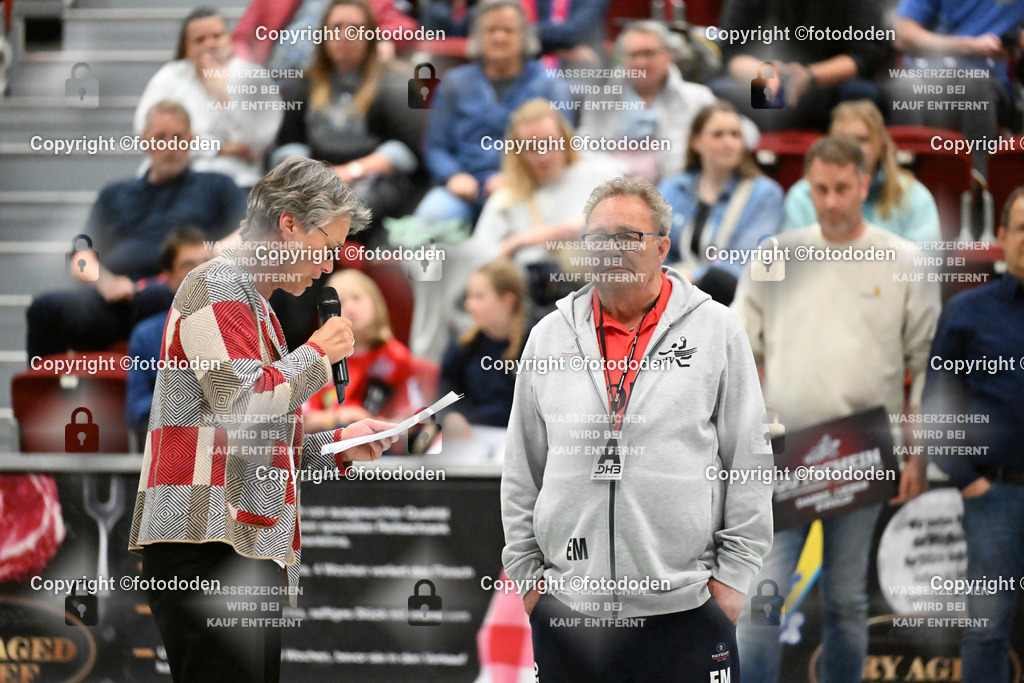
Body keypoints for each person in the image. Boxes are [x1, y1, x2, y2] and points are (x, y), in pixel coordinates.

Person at [129, 156, 399, 683]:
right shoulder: (218, 284)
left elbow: (256, 439)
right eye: (326, 249)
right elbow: (243, 402)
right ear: (289, 224)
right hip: (204, 544)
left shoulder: (258, 308)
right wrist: (318, 354)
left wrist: (336, 445)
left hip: (231, 544)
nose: (329, 267)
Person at [502, 177, 774, 682]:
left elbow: (750, 461)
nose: (610, 250)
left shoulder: (717, 330)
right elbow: (522, 466)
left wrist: (733, 581)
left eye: (627, 237)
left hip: (687, 609)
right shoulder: (547, 336)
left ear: (662, 248)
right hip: (567, 609)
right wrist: (530, 582)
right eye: (598, 238)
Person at [732, 136, 941, 683]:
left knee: (847, 601)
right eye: (818, 189)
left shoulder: (906, 262)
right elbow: (736, 351)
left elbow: (925, 365)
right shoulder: (775, 256)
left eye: (842, 189)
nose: (830, 201)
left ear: (865, 184)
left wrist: (916, 457)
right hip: (785, 453)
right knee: (759, 601)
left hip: (863, 452)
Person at [26, 101, 245, 360]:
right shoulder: (115, 194)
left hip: (180, 293)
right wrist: (105, 281)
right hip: (116, 300)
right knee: (44, 309)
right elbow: (80, 257)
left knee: (157, 297)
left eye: (178, 138)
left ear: (191, 141)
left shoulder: (216, 186)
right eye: (160, 138)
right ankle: (48, 396)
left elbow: (250, 231)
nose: (170, 146)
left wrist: (210, 257)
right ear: (145, 141)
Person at [922, 185, 1024, 683]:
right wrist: (968, 480)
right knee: (987, 630)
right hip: (995, 494)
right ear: (1001, 236)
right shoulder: (966, 311)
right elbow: (937, 405)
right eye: (1021, 227)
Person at [273, 0, 425, 246]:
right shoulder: (307, 83)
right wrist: (310, 174)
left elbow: (406, 151)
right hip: (316, 177)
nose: (344, 36)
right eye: (336, 27)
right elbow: (289, 143)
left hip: (374, 180)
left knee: (337, 211)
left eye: (354, 28)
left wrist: (350, 172)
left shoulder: (394, 83)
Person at [415, 0, 572, 229]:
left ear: (524, 36)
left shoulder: (549, 85)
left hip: (528, 187)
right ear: (477, 36)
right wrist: (452, 176)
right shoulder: (454, 83)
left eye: (508, 30)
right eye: (491, 30)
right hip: (463, 189)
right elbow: (435, 146)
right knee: (430, 219)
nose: (499, 37)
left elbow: (563, 149)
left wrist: (518, 177)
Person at [577, 21, 744, 184]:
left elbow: (744, 133)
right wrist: (617, 172)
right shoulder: (600, 97)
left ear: (669, 56)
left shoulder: (697, 98)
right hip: (611, 189)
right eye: (633, 54)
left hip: (679, 191)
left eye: (648, 53)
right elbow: (584, 148)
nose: (641, 62)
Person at [134, 7, 283, 188]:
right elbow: (147, 132)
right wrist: (219, 148)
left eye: (217, 36)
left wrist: (222, 96)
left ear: (229, 39)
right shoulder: (169, 77)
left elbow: (254, 144)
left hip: (235, 180)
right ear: (186, 48)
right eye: (200, 40)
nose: (210, 45)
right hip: (174, 176)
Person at [659, 100, 784, 305]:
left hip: (729, 295)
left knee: (716, 280)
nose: (729, 142)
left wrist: (690, 275)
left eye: (735, 135)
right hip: (673, 288)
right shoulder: (674, 187)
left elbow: (744, 261)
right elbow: (653, 243)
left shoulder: (764, 193)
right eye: (718, 135)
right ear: (696, 142)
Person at [709, 0, 891, 131]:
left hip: (829, 85)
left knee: (861, 94)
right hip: (769, 84)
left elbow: (868, 54)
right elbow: (731, 53)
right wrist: (768, 72)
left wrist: (810, 75)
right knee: (717, 93)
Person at [782, 100, 941, 246]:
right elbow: (791, 264)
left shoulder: (914, 196)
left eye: (862, 139)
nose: (854, 148)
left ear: (880, 146)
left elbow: (924, 268)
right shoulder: (803, 195)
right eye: (844, 139)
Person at [892, 0, 1023, 172]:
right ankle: (907, 179)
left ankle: (977, 182)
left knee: (975, 87)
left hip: (988, 82)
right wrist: (970, 46)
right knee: (902, 87)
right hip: (930, 74)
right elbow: (903, 35)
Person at [125, 227, 212, 447]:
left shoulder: (243, 326)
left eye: (207, 262)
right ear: (170, 279)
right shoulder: (146, 336)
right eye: (188, 265)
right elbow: (138, 407)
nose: (201, 271)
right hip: (172, 444)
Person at [302, 268, 417, 431]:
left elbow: (411, 418)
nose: (349, 308)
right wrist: (339, 417)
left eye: (356, 298)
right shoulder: (321, 359)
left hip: (380, 446)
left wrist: (372, 424)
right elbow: (302, 422)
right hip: (331, 442)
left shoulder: (396, 356)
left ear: (376, 302)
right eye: (340, 302)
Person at [437, 260, 528, 439]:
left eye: (479, 297)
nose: (469, 305)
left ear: (508, 301)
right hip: (473, 438)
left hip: (520, 441)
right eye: (469, 296)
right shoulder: (463, 347)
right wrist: (451, 416)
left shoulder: (536, 343)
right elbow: (446, 395)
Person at [232, 0, 417, 71]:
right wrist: (246, 69)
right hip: (269, 78)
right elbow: (241, 37)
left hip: (328, 81)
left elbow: (405, 27)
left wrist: (384, 39)